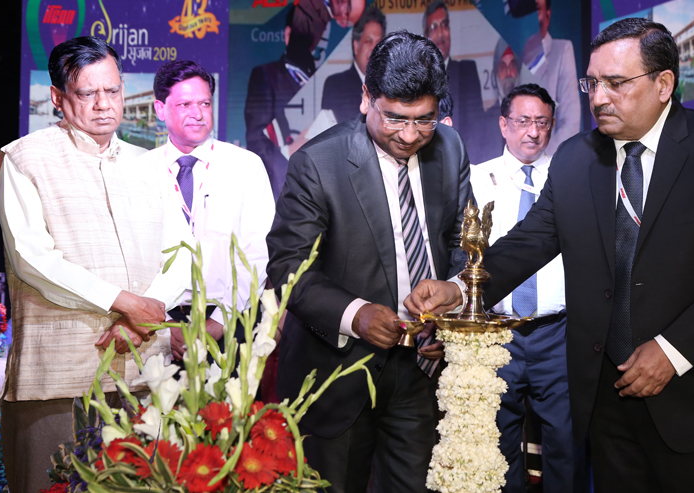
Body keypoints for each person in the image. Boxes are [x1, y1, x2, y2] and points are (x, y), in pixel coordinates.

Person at [407, 18, 694, 492]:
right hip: (606, 403)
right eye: (592, 82)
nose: (598, 97)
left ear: (663, 83)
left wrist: (674, 351)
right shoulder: (575, 159)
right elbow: (529, 241)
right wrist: (460, 287)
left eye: (616, 83)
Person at [266, 31, 470, 492]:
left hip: (421, 370)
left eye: (425, 120)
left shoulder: (451, 148)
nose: (410, 134)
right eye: (396, 118)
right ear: (366, 98)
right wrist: (356, 315)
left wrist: (452, 295)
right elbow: (286, 268)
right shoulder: (318, 162)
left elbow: (464, 241)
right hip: (336, 373)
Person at [0, 36, 190, 493]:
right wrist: (123, 301)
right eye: (88, 93)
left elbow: (182, 252)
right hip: (57, 379)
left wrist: (149, 312)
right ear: (58, 99)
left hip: (143, 371)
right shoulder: (23, 159)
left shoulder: (150, 166)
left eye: (114, 91)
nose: (105, 105)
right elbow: (32, 258)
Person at [472, 83, 575, 492]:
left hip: (559, 334)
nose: (532, 132)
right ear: (503, 124)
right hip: (499, 334)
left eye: (542, 122)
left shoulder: (570, 181)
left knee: (565, 441)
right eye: (523, 121)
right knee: (499, 442)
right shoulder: (477, 180)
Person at [145, 60, 275, 363]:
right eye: (185, 103)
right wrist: (165, 327)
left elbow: (258, 251)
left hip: (232, 324)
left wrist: (219, 321)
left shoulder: (245, 166)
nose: (198, 113)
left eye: (205, 102)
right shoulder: (141, 170)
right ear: (160, 109)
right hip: (157, 328)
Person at [245, 6, 305, 200]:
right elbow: (256, 141)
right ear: (288, 35)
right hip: (281, 196)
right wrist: (289, 151)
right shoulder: (265, 75)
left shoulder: (332, 81)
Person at [423, 0, 485, 163]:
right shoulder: (419, 76)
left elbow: (477, 127)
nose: (441, 33)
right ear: (425, 36)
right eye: (434, 28)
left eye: (444, 25)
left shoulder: (467, 70)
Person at [519, 0, 581, 155]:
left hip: (550, 163)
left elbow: (570, 123)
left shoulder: (562, 51)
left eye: (537, 9)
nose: (532, 16)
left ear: (548, 14)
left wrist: (541, 159)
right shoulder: (513, 55)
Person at [321, 6, 386, 124]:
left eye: (379, 43)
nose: (374, 49)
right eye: (368, 41)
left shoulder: (390, 87)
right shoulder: (335, 86)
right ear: (356, 46)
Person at [476, 38, 522, 163]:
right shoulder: (485, 120)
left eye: (512, 66)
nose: (508, 73)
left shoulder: (531, 118)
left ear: (518, 71)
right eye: (503, 67)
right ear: (496, 74)